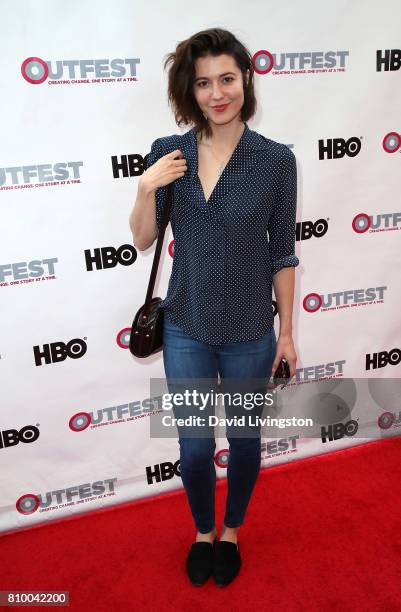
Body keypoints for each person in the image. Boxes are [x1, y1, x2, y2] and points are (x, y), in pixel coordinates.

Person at [129, 27, 300, 587]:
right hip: (187, 328)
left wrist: (288, 334)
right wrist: (144, 190)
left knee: (246, 438)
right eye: (203, 83)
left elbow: (282, 255)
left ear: (245, 80)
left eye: (226, 79)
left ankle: (232, 531)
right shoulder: (168, 154)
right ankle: (203, 531)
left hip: (252, 328)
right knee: (196, 447)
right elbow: (141, 241)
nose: (216, 93)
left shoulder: (275, 161)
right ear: (190, 90)